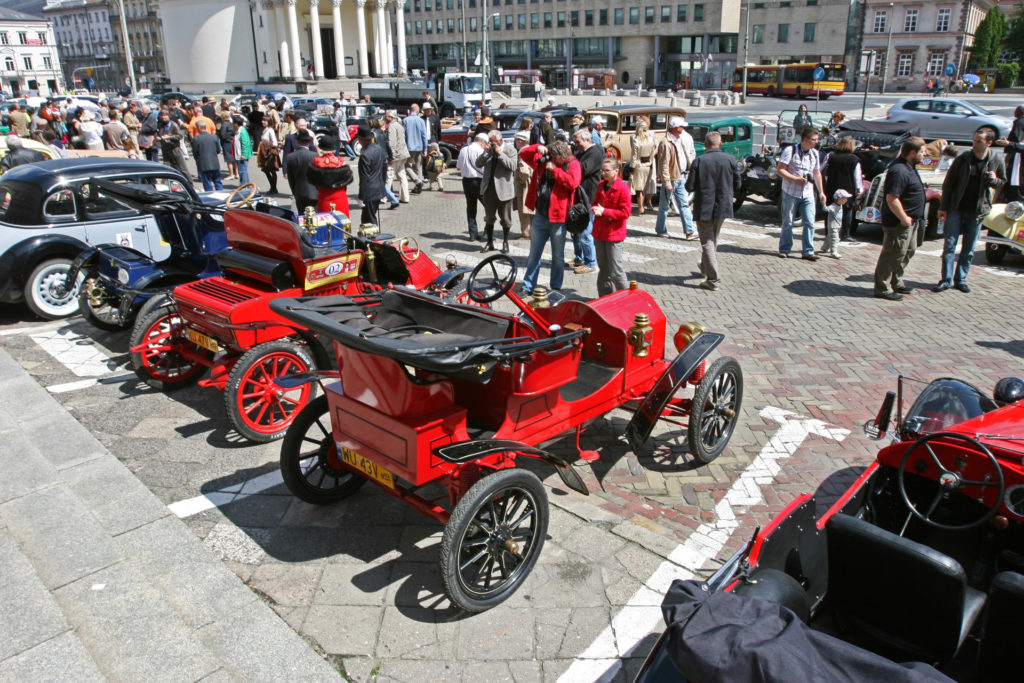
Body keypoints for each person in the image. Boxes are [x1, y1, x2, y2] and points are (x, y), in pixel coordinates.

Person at [933, 129, 1005, 294]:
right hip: (956, 208)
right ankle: (946, 279)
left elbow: (1002, 182)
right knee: (950, 245)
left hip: (977, 210)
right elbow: (949, 183)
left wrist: (994, 180)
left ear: (989, 143)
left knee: (969, 248)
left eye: (979, 141)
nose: (975, 143)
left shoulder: (994, 159)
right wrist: (943, 207)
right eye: (974, 140)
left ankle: (961, 279)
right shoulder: (963, 159)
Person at [519, 139, 582, 295]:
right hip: (541, 214)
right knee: (534, 254)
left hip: (559, 218)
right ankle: (528, 286)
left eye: (556, 158)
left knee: (558, 256)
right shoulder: (545, 160)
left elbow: (573, 183)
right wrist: (537, 147)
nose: (553, 160)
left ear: (562, 156)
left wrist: (555, 171)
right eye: (551, 156)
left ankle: (555, 287)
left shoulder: (572, 164)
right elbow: (524, 154)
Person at [686, 132, 742, 291]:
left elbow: (689, 186)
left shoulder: (699, 161)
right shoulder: (731, 159)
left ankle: (713, 279)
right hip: (723, 205)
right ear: (721, 143)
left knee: (708, 242)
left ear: (705, 144)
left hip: (704, 206)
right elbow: (738, 184)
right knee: (713, 239)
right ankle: (705, 267)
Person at [873, 136, 927, 301]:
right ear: (912, 152)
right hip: (899, 223)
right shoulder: (899, 170)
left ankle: (897, 281)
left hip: (912, 221)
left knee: (908, 251)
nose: (925, 155)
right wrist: (903, 218)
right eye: (923, 152)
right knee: (892, 254)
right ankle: (882, 287)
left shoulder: (910, 166)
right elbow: (892, 198)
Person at [777, 127, 826, 260]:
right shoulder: (790, 151)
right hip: (790, 193)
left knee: (809, 222)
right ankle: (785, 249)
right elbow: (780, 170)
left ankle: (808, 251)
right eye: (814, 140)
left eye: (817, 139)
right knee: (788, 222)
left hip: (808, 194)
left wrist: (821, 192)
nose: (816, 142)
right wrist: (795, 179)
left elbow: (817, 173)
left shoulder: (815, 153)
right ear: (805, 140)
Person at [591, 158, 632, 296]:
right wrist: (595, 209)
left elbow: (625, 212)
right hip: (600, 232)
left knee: (615, 269)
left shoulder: (622, 188)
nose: (604, 173)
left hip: (614, 234)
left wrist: (605, 212)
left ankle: (627, 298)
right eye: (602, 170)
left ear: (616, 171)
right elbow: (595, 202)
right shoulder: (601, 185)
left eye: (607, 170)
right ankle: (605, 296)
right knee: (603, 268)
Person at [475, 129, 518, 253]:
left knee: (505, 219)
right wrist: (486, 153)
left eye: (494, 142)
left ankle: (505, 242)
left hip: (504, 191)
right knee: (489, 218)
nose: (492, 144)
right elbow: (478, 163)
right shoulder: (488, 151)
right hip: (489, 189)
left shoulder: (510, 150)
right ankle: (489, 243)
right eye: (490, 142)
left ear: (500, 140)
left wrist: (500, 154)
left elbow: (513, 166)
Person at [655, 115, 697, 239]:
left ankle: (689, 231)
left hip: (680, 176)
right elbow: (664, 164)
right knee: (666, 205)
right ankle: (663, 229)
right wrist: (667, 181)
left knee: (681, 204)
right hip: (673, 178)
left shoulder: (678, 139)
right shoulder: (666, 143)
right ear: (675, 128)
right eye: (681, 126)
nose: (683, 128)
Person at [568, 127, 603, 274]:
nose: (576, 146)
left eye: (578, 142)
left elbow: (582, 169)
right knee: (576, 230)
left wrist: (570, 165)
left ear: (587, 139)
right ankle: (579, 258)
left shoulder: (595, 152)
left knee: (585, 231)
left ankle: (590, 262)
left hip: (589, 197)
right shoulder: (581, 152)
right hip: (579, 198)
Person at [822, 135, 863, 243]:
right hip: (848, 188)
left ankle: (828, 233)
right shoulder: (854, 159)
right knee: (847, 210)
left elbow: (821, 168)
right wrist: (859, 188)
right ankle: (845, 234)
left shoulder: (830, 155)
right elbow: (857, 176)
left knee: (830, 211)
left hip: (832, 186)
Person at [456, 133, 487, 241]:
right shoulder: (481, 151)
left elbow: (458, 167)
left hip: (466, 181)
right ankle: (487, 231)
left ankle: (473, 234)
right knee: (488, 206)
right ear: (482, 141)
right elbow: (485, 168)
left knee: (471, 208)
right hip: (479, 180)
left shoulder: (464, 150)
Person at [356, 125, 388, 226]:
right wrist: (382, 184)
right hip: (378, 187)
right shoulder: (378, 149)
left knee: (368, 220)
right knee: (370, 216)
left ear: (361, 139)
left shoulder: (365, 154)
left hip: (369, 191)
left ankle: (373, 239)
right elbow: (384, 168)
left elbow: (364, 177)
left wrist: (361, 196)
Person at [285, 129, 320, 213]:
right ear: (309, 142)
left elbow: (291, 179)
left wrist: (294, 192)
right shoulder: (315, 156)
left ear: (297, 141)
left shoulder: (291, 157)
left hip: (299, 192)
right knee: (315, 218)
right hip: (314, 193)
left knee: (302, 216)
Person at [995, 105, 1024, 203]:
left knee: (1015, 182)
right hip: (1017, 155)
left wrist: (1008, 144)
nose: (1014, 112)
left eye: (1016, 110)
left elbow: (1016, 138)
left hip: (1018, 158)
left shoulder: (1020, 122)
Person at [630, 120, 655, 215]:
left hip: (639, 165)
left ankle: (640, 207)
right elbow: (652, 154)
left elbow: (634, 156)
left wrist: (631, 169)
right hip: (648, 165)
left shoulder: (636, 140)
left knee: (638, 188)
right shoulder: (650, 140)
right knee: (644, 187)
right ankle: (642, 206)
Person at [513, 130, 534, 240]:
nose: (515, 142)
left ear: (520, 141)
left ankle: (526, 234)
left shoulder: (522, 152)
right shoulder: (531, 149)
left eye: (516, 140)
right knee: (531, 210)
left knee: (524, 210)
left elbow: (524, 171)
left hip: (524, 185)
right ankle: (533, 232)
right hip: (532, 183)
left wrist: (522, 180)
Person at [404, 103, 428, 194]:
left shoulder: (405, 120)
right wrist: (425, 149)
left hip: (409, 146)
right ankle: (419, 185)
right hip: (419, 147)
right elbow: (424, 136)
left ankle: (418, 182)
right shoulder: (421, 121)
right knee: (418, 166)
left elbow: (404, 135)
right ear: (417, 110)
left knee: (407, 166)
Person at [192, 120, 223, 191]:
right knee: (218, 182)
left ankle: (210, 198)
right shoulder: (214, 137)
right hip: (215, 163)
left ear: (199, 128)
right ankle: (221, 195)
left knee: (207, 183)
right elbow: (218, 150)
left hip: (204, 164)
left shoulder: (196, 139)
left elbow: (195, 152)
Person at [156, 110, 188, 175]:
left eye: (165, 116)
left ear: (169, 116)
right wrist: (159, 138)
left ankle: (189, 182)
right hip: (166, 149)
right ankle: (165, 183)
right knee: (166, 167)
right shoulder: (161, 125)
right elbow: (158, 134)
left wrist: (169, 137)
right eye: (162, 116)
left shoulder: (174, 125)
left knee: (182, 167)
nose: (163, 118)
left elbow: (180, 136)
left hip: (175, 148)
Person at [822, 189, 852, 259]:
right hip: (833, 226)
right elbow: (826, 209)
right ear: (839, 198)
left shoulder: (840, 205)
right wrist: (823, 202)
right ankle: (833, 252)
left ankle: (824, 247)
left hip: (837, 225)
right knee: (835, 238)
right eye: (845, 198)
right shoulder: (833, 206)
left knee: (829, 237)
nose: (846, 200)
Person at [257, 116, 282, 194]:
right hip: (265, 153)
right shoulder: (265, 130)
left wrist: (264, 144)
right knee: (266, 170)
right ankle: (272, 187)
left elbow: (274, 142)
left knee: (272, 170)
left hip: (270, 153)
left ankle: (274, 188)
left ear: (269, 122)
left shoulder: (270, 130)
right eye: (263, 120)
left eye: (265, 121)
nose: (263, 122)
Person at [233, 115, 252, 185]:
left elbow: (245, 144)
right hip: (239, 154)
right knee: (244, 171)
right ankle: (246, 185)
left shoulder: (242, 131)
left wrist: (243, 154)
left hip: (242, 155)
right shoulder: (239, 131)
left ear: (236, 124)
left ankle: (243, 186)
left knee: (242, 171)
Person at [218, 111, 238, 180]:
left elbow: (223, 135)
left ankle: (231, 174)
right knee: (234, 159)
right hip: (233, 142)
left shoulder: (224, 125)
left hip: (226, 143)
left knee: (229, 160)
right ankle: (237, 173)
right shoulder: (231, 124)